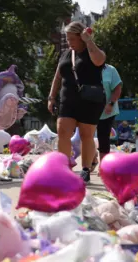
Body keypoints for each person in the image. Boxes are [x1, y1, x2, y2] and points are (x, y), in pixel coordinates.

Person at [47, 21, 106, 183]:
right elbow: (57, 77)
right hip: (68, 99)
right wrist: (51, 97)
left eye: (72, 39)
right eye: (67, 38)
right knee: (62, 131)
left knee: (87, 135)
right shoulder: (66, 54)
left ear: (81, 37)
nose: (68, 42)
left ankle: (86, 169)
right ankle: (64, 167)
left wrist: (89, 41)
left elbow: (100, 61)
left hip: (89, 100)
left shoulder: (92, 50)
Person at [95, 64, 123, 168]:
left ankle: (103, 166)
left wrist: (111, 103)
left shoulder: (110, 70)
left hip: (107, 111)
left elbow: (117, 88)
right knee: (86, 137)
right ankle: (92, 161)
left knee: (103, 137)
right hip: (89, 109)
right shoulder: (85, 67)